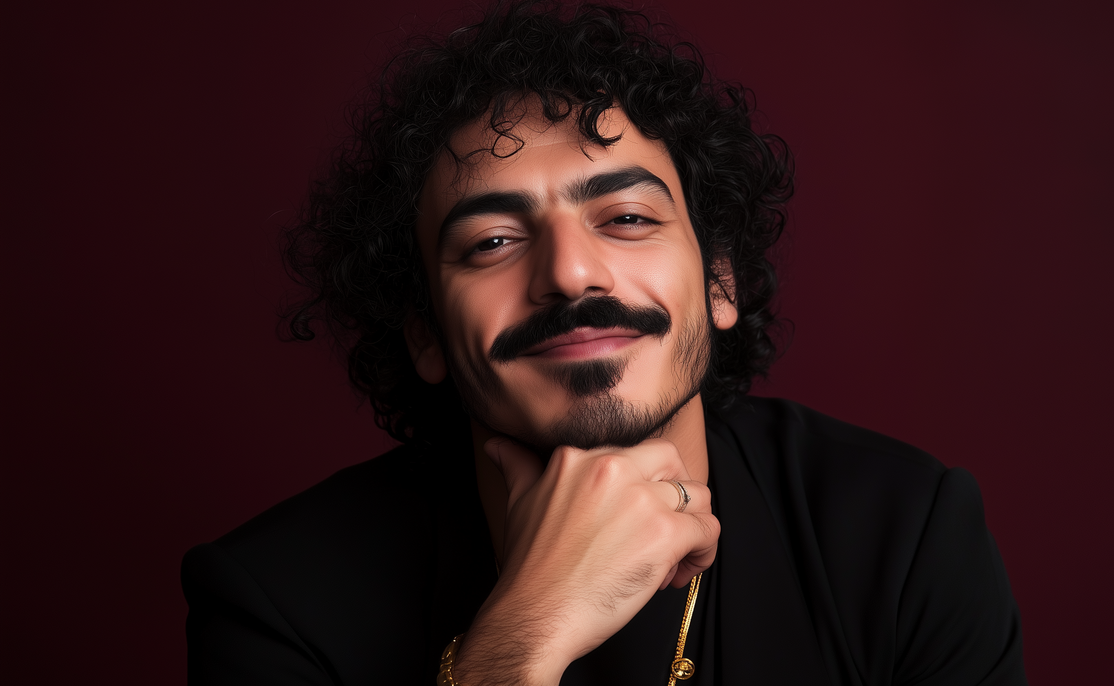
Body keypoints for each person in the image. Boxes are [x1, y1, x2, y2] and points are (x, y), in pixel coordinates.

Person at [181, 2, 1026, 684]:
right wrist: (519, 640)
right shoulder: (278, 603)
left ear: (720, 283)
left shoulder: (905, 536)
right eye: (493, 243)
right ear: (426, 333)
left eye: (626, 218)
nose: (572, 274)